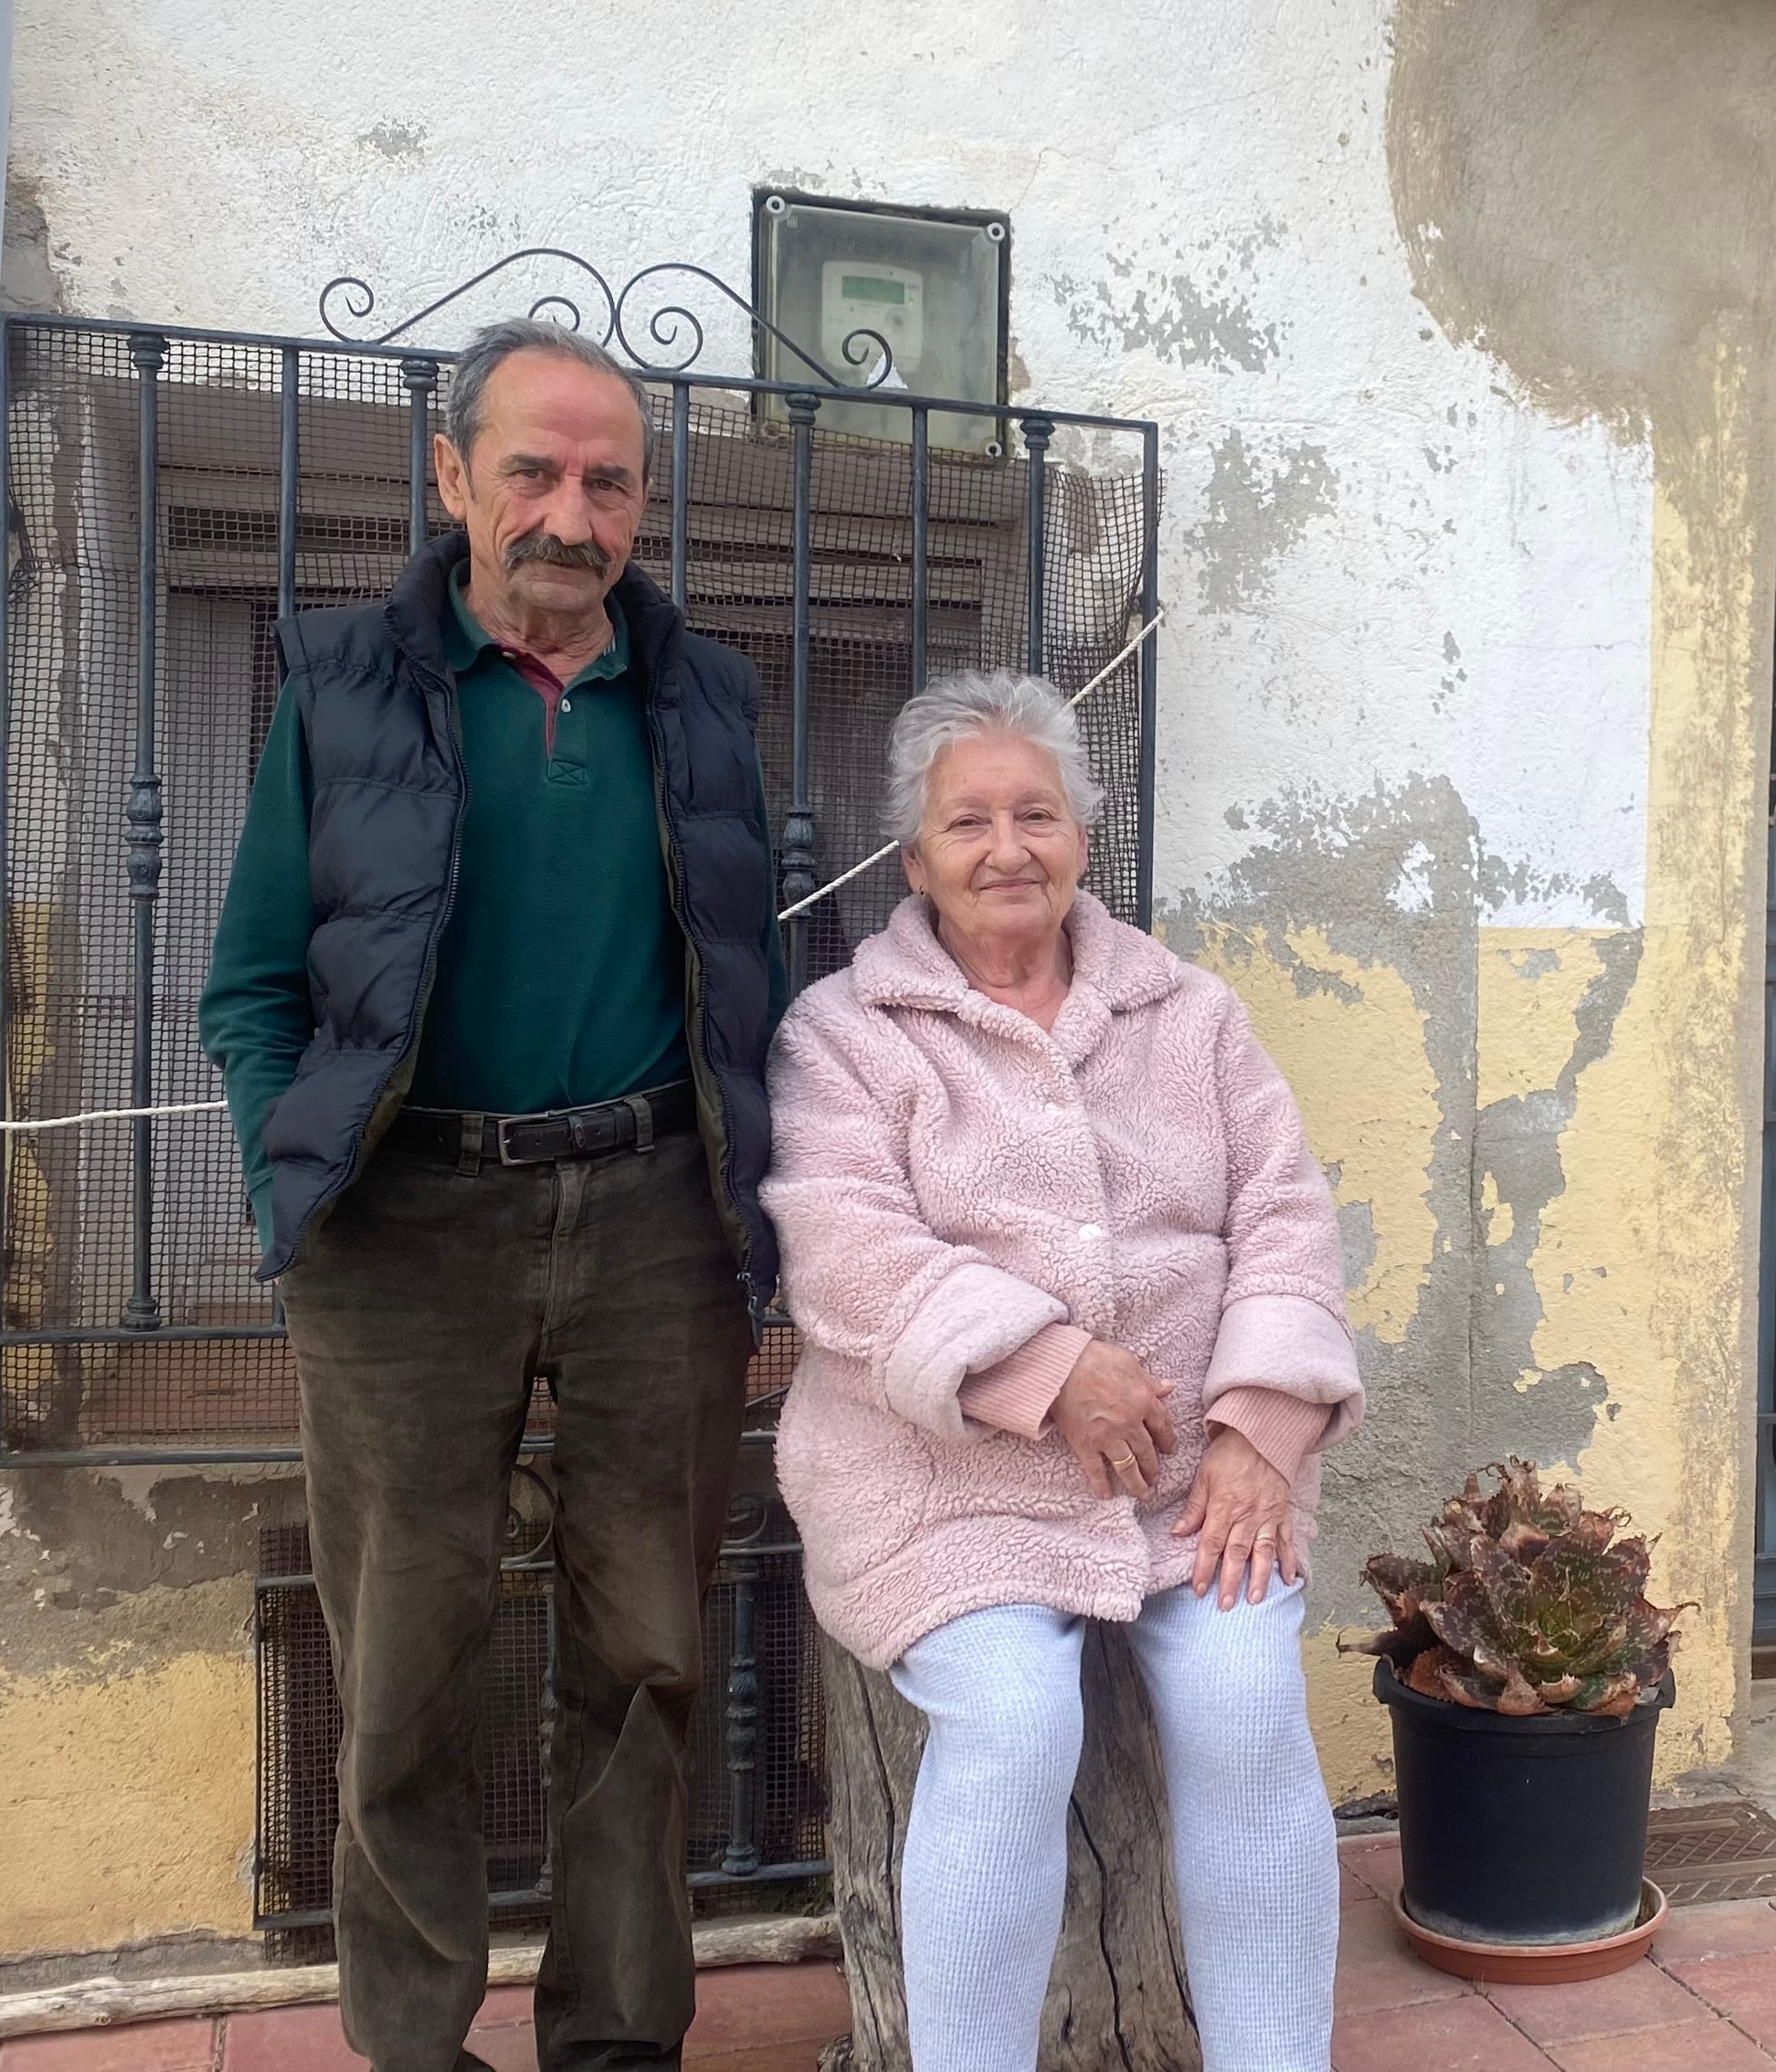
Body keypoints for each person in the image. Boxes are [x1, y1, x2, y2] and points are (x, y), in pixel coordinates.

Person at [197, 318, 785, 2072]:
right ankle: (411, 2042)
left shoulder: (708, 697)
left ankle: (617, 2040)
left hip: (654, 1225)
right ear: (450, 477)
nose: (568, 509)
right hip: (403, 1235)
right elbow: (251, 989)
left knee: (649, 1662)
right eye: (530, 467)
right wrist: (292, 1188)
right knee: (402, 1672)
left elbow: (743, 969)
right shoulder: (344, 686)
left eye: (607, 478)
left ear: (645, 504)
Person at [767, 671, 1359, 2072]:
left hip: (1183, 1476)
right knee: (1017, 1723)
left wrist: (1259, 1427)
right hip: (949, 1477)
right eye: (967, 822)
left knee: (1244, 1703)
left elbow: (1284, 1213)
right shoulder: (846, 1036)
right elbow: (843, 1252)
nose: (1006, 848)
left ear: (1084, 840)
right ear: (914, 861)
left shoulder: (1189, 1015)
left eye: (1036, 813)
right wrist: (1040, 1366)